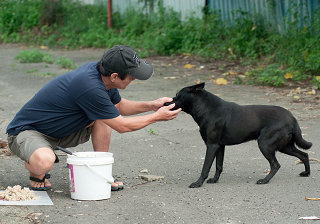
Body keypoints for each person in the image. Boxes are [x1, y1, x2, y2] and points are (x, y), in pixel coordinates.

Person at [6, 45, 181, 191]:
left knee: (104, 115)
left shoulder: (103, 77)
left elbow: (118, 107)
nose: (134, 78)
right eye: (131, 75)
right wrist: (156, 117)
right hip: (28, 133)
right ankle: (35, 170)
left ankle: (101, 172)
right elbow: (122, 126)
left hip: (61, 132)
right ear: (114, 76)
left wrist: (152, 105)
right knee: (45, 162)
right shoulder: (90, 86)